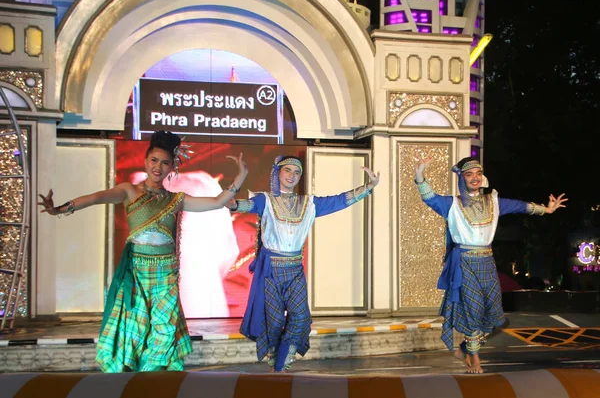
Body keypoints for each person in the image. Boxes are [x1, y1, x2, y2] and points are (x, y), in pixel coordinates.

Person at [38, 130, 248, 372]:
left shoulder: (176, 199)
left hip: (166, 273)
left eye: (165, 162)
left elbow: (216, 202)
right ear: (146, 161)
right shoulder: (130, 191)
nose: (158, 166)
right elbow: (96, 198)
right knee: (135, 326)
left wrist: (241, 176)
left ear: (172, 167)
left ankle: (153, 375)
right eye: (154, 160)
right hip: (137, 271)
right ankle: (134, 376)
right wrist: (61, 209)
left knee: (165, 326)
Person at [414, 156, 567, 374]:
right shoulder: (452, 204)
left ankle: (465, 349)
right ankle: (475, 357)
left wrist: (547, 210)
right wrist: (420, 176)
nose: (475, 178)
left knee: (494, 313)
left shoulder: (493, 202)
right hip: (465, 262)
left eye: (478, 173)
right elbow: (430, 198)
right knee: (474, 310)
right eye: (469, 174)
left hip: (487, 261)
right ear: (462, 178)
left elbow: (520, 207)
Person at [227, 155, 379, 372]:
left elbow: (338, 201)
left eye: (296, 173)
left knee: (300, 317)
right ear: (277, 172)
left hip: (295, 270)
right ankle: (276, 366)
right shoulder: (265, 200)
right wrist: (233, 195)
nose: (292, 176)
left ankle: (281, 363)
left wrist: (368, 187)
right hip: (271, 270)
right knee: (275, 321)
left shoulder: (308, 203)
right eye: (287, 170)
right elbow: (241, 205)